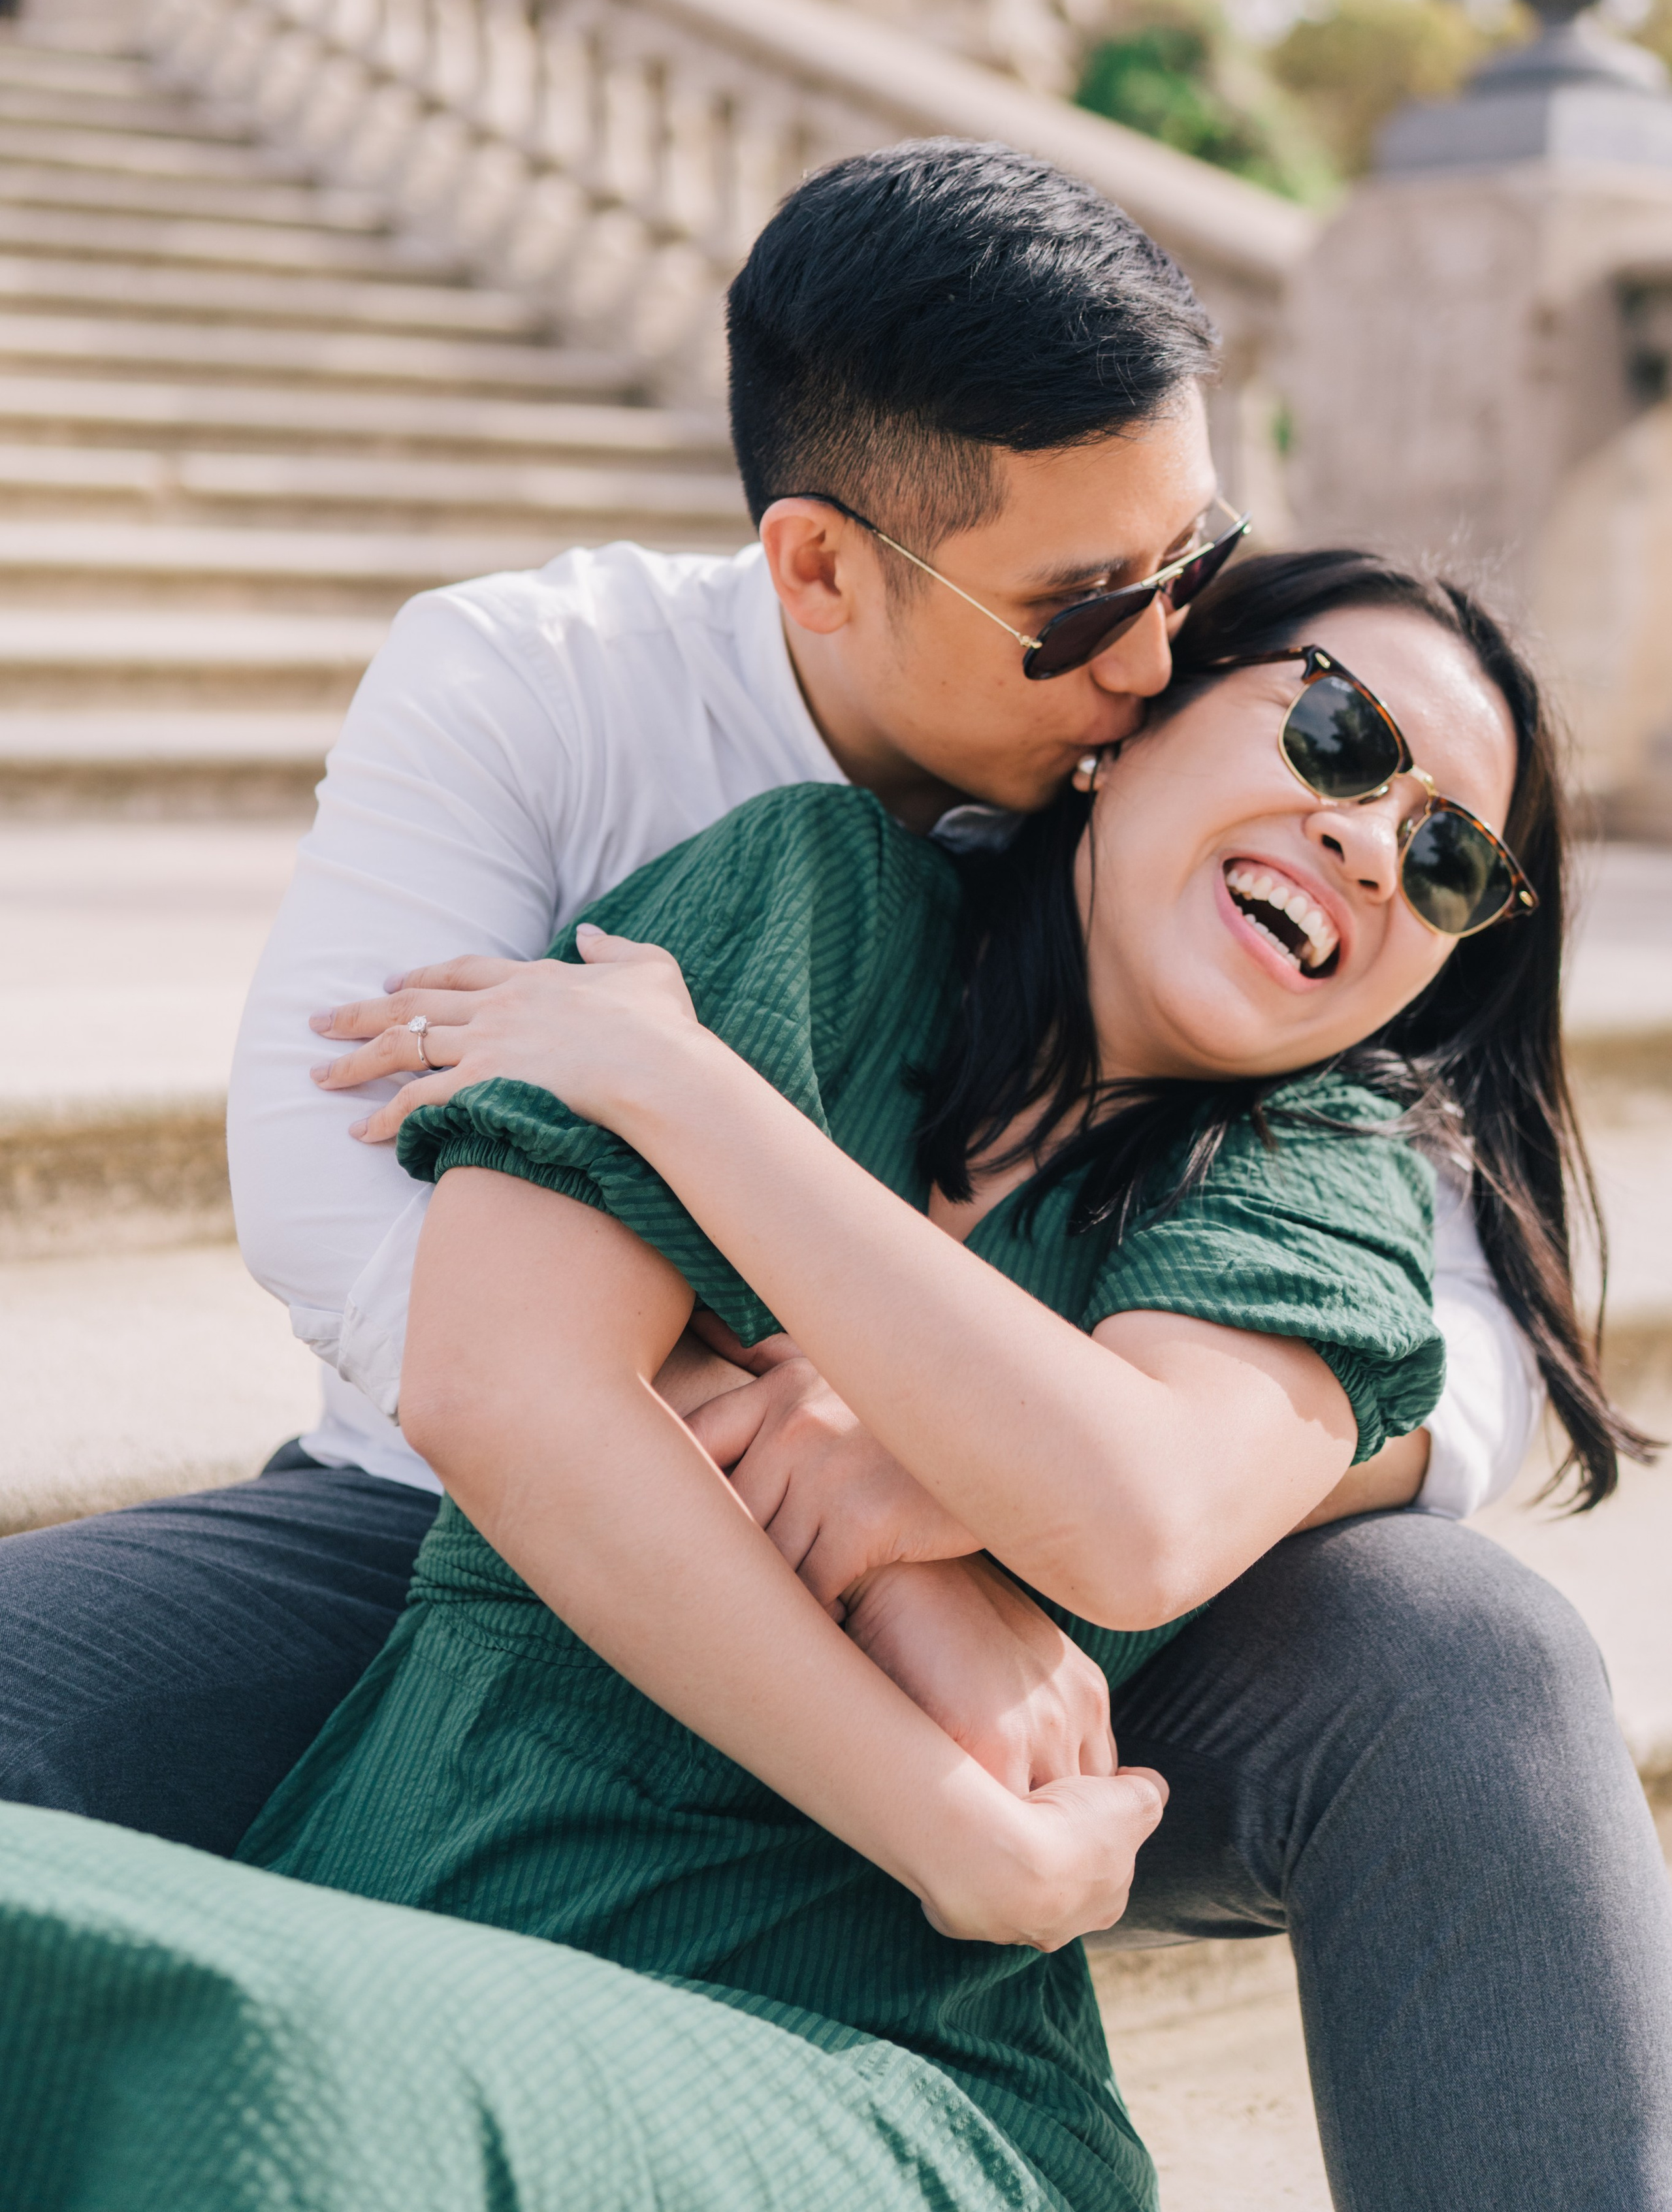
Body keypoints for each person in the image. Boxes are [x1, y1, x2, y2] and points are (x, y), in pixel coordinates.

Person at [0, 143, 1665, 2207]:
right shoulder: (647, 768)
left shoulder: (1284, 1124)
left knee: (1468, 1654)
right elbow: (411, 1291)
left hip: (1028, 1772)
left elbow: (1317, 1430)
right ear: (821, 567)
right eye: (1102, 621)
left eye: (1446, 859)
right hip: (457, 1566)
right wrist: (823, 1490)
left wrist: (918, 1486)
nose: (1147, 652)